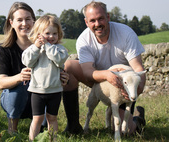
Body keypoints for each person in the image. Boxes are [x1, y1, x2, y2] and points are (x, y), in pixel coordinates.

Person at [62, 1, 146, 135]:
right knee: (69, 66)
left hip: (123, 84)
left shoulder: (125, 33)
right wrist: (108, 75)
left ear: (108, 17)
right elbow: (88, 71)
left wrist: (133, 92)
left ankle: (138, 118)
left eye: (100, 18)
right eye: (92, 20)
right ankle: (73, 125)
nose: (97, 24)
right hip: (99, 79)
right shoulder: (83, 40)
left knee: (125, 131)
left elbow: (138, 69)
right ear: (86, 22)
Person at [0, 2, 69, 134]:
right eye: (19, 20)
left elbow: (59, 61)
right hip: (17, 96)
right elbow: (1, 83)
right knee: (18, 90)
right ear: (11, 23)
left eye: (28, 19)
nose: (24, 23)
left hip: (44, 91)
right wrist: (19, 77)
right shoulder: (4, 49)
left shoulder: (48, 44)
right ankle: (13, 129)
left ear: (34, 21)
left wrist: (63, 75)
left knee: (47, 119)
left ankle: (45, 133)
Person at [22, 15, 68, 141]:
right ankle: (32, 140)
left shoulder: (60, 50)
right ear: (38, 34)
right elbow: (27, 61)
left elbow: (59, 60)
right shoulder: (34, 49)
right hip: (37, 91)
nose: (51, 37)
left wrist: (47, 46)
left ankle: (53, 139)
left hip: (55, 91)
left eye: (55, 33)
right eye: (47, 33)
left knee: (52, 118)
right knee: (37, 118)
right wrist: (37, 47)